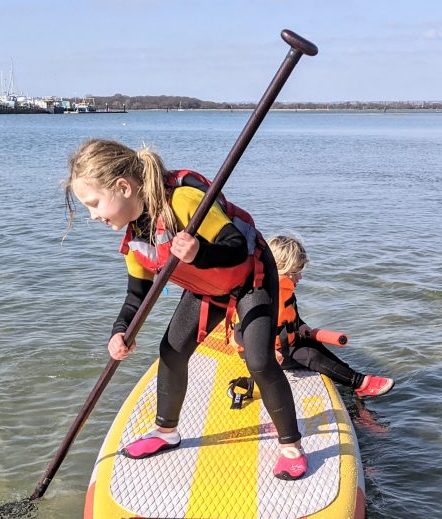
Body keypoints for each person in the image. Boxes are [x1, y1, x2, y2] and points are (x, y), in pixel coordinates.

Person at [64, 139, 307, 480]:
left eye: (93, 204)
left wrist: (198, 254)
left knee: (259, 361)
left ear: (123, 187)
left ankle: (291, 444)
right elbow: (137, 296)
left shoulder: (183, 200)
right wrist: (121, 331)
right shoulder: (136, 239)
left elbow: (236, 246)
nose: (93, 216)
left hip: (250, 277)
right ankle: (166, 432)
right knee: (172, 352)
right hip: (206, 290)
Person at [263, 235, 394, 398]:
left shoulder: (285, 290)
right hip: (271, 354)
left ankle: (348, 376)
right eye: (296, 272)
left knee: (314, 344)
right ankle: (359, 382)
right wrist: (266, 353)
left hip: (286, 342)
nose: (300, 277)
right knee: (312, 355)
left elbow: (289, 316)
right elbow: (242, 335)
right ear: (279, 270)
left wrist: (300, 325)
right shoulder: (262, 296)